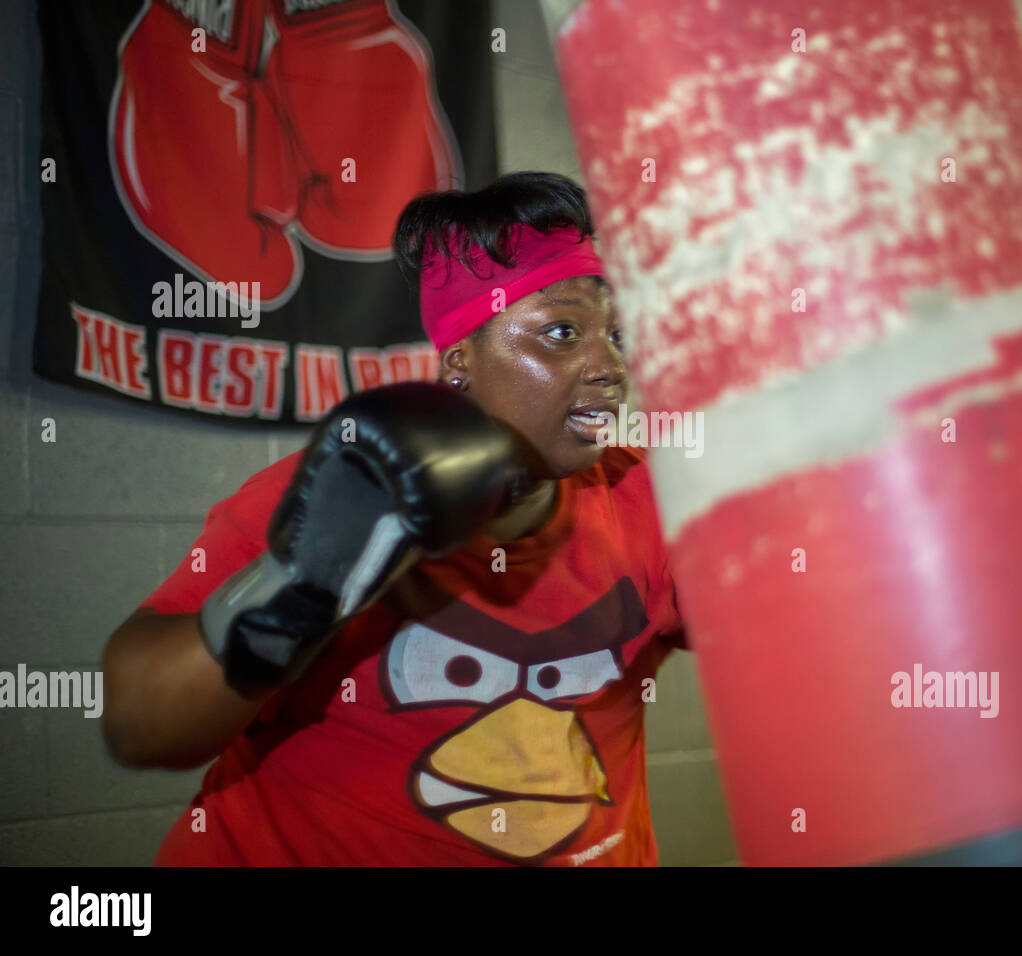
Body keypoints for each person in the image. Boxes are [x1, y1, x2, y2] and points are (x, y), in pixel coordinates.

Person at [100, 171, 689, 866]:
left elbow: (799, 625)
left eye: (616, 334)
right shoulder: (338, 491)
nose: (610, 367)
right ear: (461, 360)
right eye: (562, 333)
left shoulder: (644, 497)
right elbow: (137, 723)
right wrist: (300, 586)